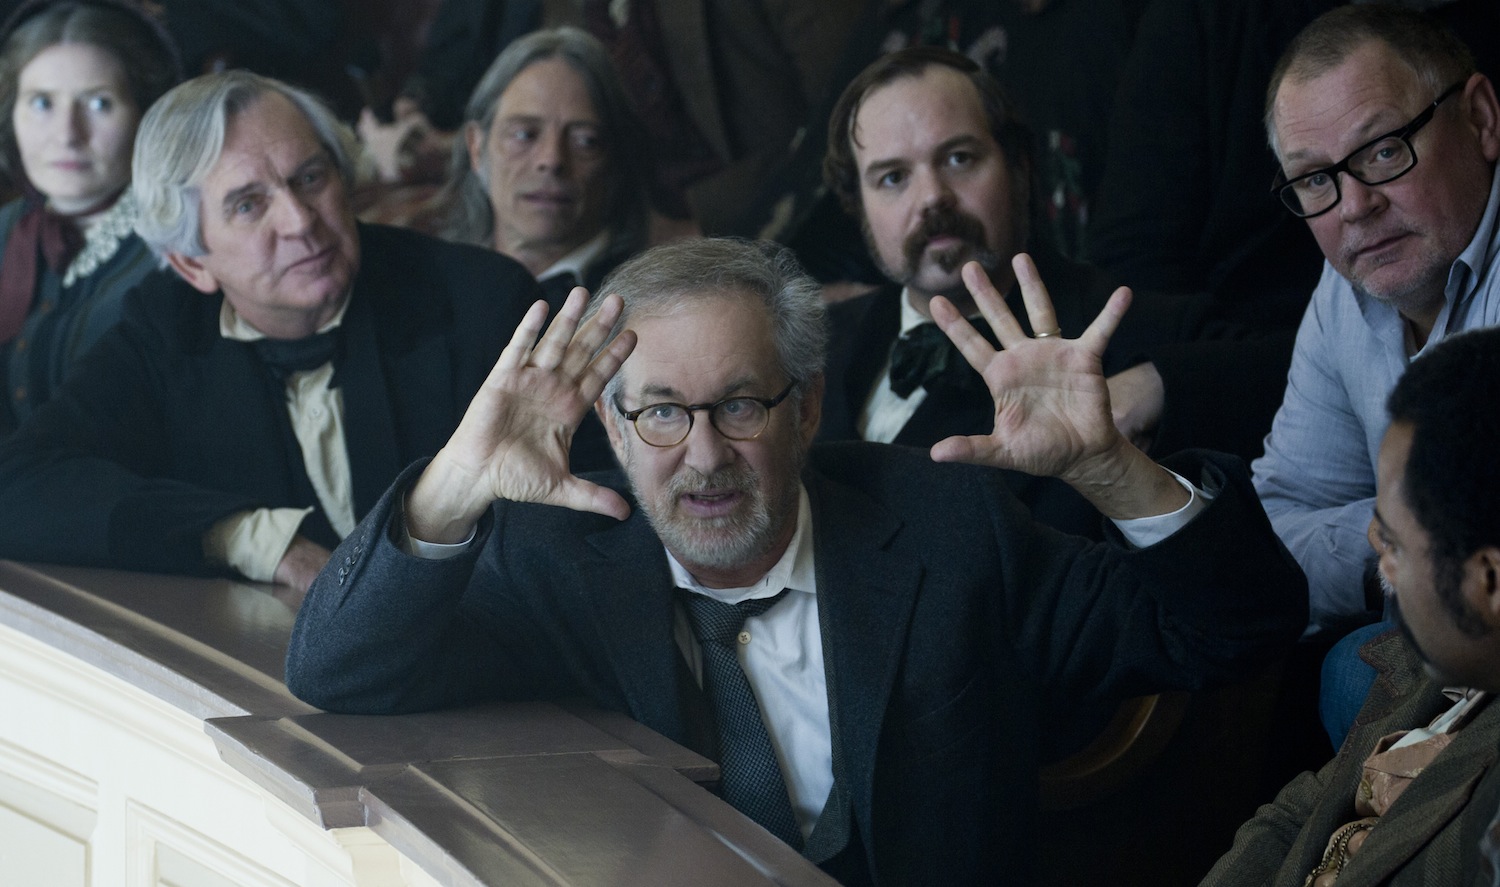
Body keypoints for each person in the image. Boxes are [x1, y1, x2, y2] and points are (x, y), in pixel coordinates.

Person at [285, 236, 1306, 885]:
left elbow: (1238, 629)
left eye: (740, 403)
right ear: (612, 423)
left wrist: (1113, 471)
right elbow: (336, 670)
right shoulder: (556, 554)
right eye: (662, 413)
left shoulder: (948, 530)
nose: (705, 455)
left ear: (808, 405)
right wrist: (451, 486)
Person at [0, 70, 538, 597]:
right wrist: (251, 539)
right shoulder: (167, 328)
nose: (300, 221)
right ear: (192, 264)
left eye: (310, 178)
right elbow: (17, 484)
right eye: (248, 204)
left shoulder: (479, 303)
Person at [816, 46, 1205, 536]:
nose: (932, 196)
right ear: (857, 204)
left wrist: (1157, 381)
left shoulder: (1134, 329)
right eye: (893, 177)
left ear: (1018, 165)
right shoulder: (812, 343)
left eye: (958, 158)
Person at [1203, 325, 1500, 887]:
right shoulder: (1431, 665)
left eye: (1394, 541)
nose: (1371, 543)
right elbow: (1299, 815)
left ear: (1489, 580)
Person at [1242, 4, 1500, 642]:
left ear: (1480, 119)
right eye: (1315, 179)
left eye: (1384, 151)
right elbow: (1276, 526)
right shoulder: (1345, 287)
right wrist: (1399, 539)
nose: (1354, 207)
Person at [0, 0, 180, 434]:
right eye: (42, 103)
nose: (67, 134)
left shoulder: (179, 247)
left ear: (146, 113)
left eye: (99, 103)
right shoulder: (5, 230)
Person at [442, 26, 650, 307]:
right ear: (476, 148)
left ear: (616, 161)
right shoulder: (434, 282)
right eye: (524, 134)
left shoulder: (648, 304)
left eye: (585, 141)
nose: (551, 160)